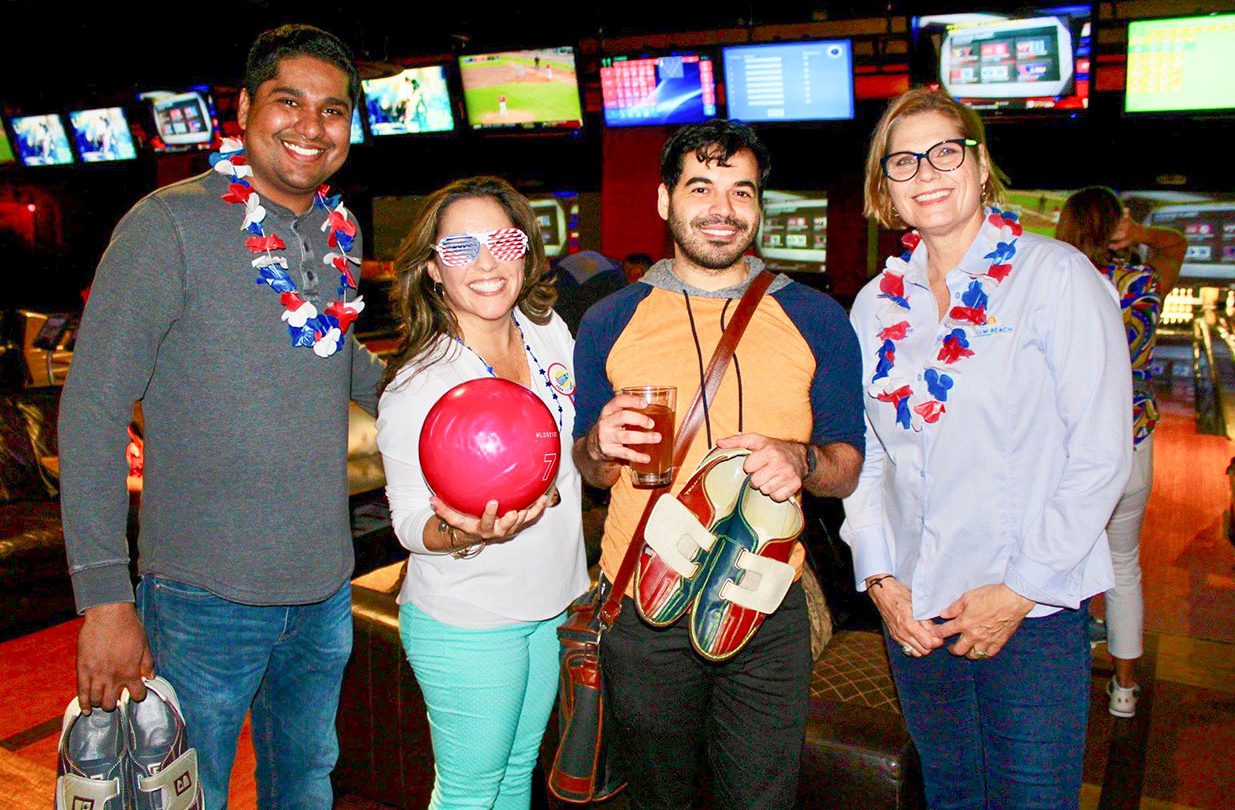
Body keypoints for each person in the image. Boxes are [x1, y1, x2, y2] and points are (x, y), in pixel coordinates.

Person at [59, 24, 383, 808]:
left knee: (306, 782)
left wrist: (461, 392)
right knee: (184, 794)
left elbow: (342, 359)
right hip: (203, 597)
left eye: (332, 109)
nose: (311, 125)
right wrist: (104, 598)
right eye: (288, 101)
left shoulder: (338, 234)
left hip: (323, 588)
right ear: (244, 109)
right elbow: (92, 409)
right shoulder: (167, 225)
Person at [841, 87, 1132, 808]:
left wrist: (1018, 589)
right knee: (949, 794)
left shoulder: (1056, 276)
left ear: (978, 167)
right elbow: (869, 456)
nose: (925, 173)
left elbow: (1099, 453)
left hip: (1028, 613)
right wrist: (879, 578)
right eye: (902, 162)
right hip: (917, 613)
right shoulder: (874, 303)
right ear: (884, 188)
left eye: (944, 151)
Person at [572, 119, 865, 809]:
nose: (722, 208)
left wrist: (800, 458)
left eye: (742, 191)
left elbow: (846, 467)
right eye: (700, 187)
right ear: (663, 201)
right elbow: (588, 472)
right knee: (655, 796)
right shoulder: (609, 319)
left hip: (763, 603)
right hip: (640, 605)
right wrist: (596, 446)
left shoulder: (817, 318)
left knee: (761, 797)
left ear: (760, 207)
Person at [375, 176, 589, 809]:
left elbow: (572, 451)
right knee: (469, 793)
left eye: (503, 240)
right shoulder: (421, 383)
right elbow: (411, 523)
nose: (487, 262)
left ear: (526, 252)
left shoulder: (549, 330)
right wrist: (465, 530)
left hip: (555, 601)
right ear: (434, 270)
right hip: (469, 619)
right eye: (461, 247)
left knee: (518, 772)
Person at [1056, 186, 1186, 718]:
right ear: (1115, 227)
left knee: (1066, 565)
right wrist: (1140, 236)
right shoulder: (1141, 282)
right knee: (1124, 566)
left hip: (1075, 450)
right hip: (1133, 443)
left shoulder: (1059, 283)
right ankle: (1125, 690)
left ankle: (1065, 683)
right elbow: (1174, 245)